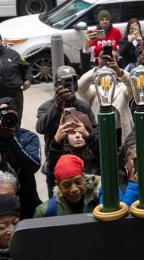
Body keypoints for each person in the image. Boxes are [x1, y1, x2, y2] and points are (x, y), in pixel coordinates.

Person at [37, 65, 97, 197]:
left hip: (83, 166)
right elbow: (40, 128)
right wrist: (57, 107)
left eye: (71, 82)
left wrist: (86, 134)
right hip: (56, 166)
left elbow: (95, 133)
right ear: (57, 86)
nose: (68, 87)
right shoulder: (46, 107)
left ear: (76, 84)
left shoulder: (83, 106)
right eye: (64, 83)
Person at [0, 98, 42, 219]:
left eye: (10, 114)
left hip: (27, 199)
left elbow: (33, 166)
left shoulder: (28, 137)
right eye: (1, 115)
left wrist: (11, 138)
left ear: (17, 114)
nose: (7, 118)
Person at [76, 47, 134, 143]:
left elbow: (134, 87)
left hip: (121, 133)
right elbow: (80, 86)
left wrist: (118, 71)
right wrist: (98, 69)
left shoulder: (122, 88)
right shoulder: (93, 90)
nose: (107, 62)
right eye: (103, 58)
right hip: (100, 133)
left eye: (111, 58)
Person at [35, 155, 99, 217]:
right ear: (58, 185)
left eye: (78, 182)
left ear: (84, 178)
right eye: (66, 185)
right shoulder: (45, 212)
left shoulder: (100, 201)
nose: (74, 189)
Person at [50, 109, 99, 176]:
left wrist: (90, 138)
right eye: (72, 132)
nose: (77, 135)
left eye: (81, 131)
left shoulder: (95, 149)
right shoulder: (61, 152)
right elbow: (51, 172)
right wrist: (56, 142)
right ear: (66, 135)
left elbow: (105, 158)